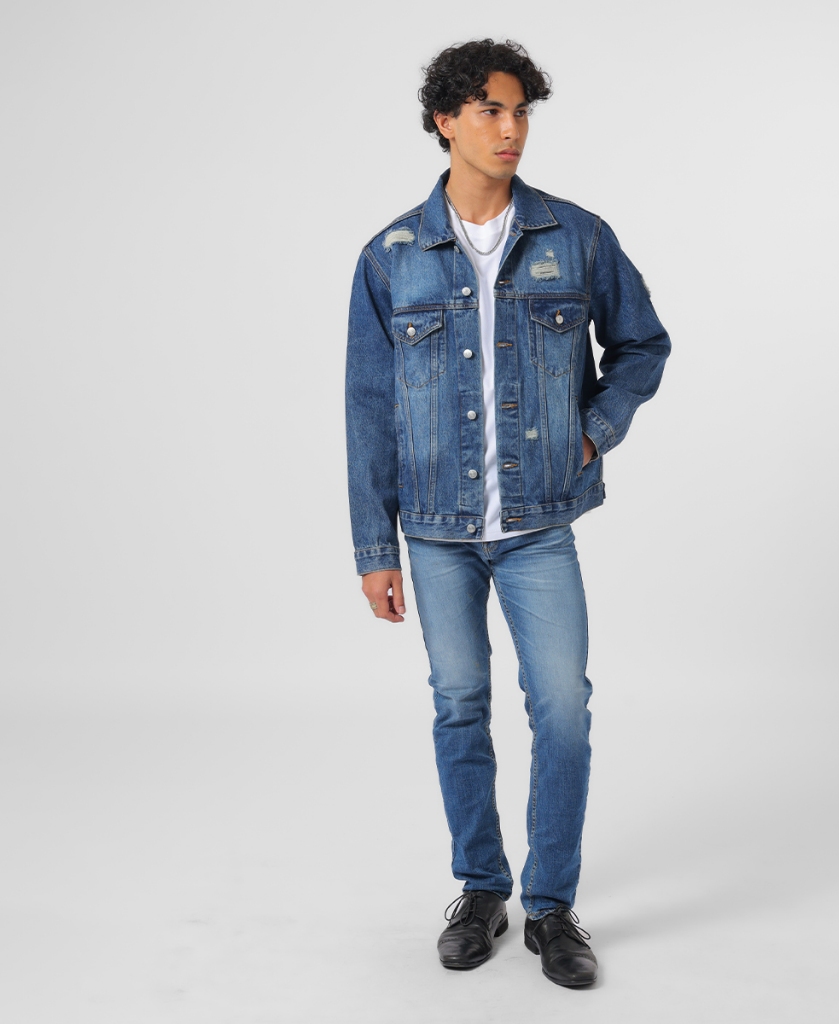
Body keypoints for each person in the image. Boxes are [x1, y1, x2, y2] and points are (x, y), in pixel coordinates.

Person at [345, 39, 670, 987]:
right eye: (490, 109)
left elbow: (643, 345)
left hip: (537, 525)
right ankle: (481, 888)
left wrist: (593, 429)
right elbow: (367, 409)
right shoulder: (391, 258)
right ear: (445, 120)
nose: (511, 127)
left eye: (521, 110)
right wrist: (373, 547)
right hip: (434, 532)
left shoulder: (577, 237)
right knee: (460, 705)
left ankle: (551, 905)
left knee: (562, 708)